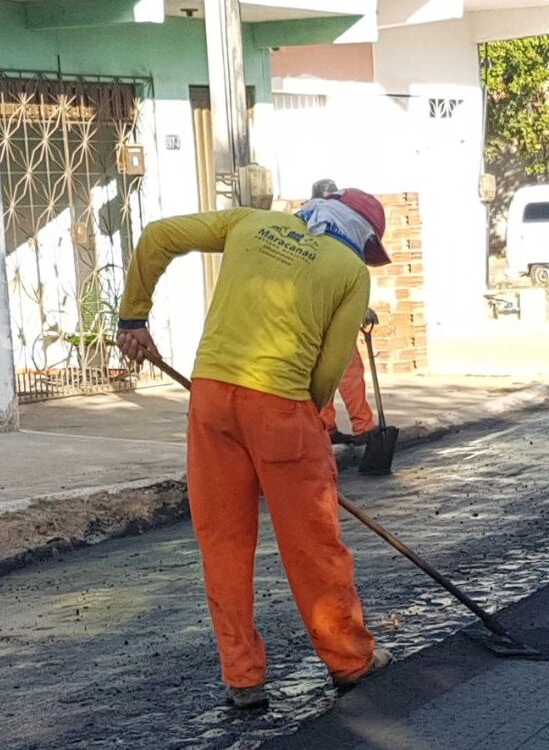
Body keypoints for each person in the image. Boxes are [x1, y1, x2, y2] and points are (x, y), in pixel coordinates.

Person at [115, 188, 393, 711]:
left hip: (212, 398)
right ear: (364, 238)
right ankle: (349, 662)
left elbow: (158, 237)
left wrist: (133, 318)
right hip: (283, 407)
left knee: (223, 541)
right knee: (312, 544)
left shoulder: (249, 222)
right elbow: (330, 368)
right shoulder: (352, 273)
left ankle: (242, 678)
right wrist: (300, 429)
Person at [309, 179, 380, 447]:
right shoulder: (309, 228)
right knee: (323, 374)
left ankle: (363, 427)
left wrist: (361, 307)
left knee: (348, 370)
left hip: (336, 312)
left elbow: (351, 275)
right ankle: (327, 428)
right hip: (317, 314)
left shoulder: (343, 229)